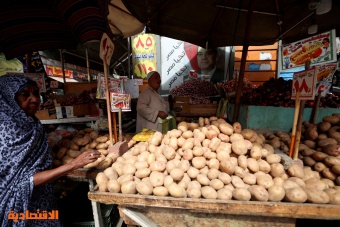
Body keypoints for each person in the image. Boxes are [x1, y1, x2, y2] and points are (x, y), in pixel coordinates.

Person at [0, 74, 101, 226]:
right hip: (19, 207)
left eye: (35, 93)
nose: (35, 99)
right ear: (8, 98)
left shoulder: (32, 123)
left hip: (42, 198)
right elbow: (23, 182)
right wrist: (73, 164)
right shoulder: (6, 130)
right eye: (24, 94)